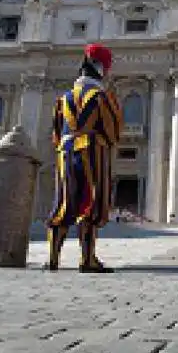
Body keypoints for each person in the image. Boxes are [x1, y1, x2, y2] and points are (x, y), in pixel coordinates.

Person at [44, 43, 122, 273]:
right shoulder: (101, 97)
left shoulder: (63, 99)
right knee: (91, 202)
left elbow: (56, 133)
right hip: (92, 150)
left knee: (64, 201)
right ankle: (87, 259)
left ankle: (53, 259)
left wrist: (64, 145)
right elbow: (113, 131)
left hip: (65, 152)